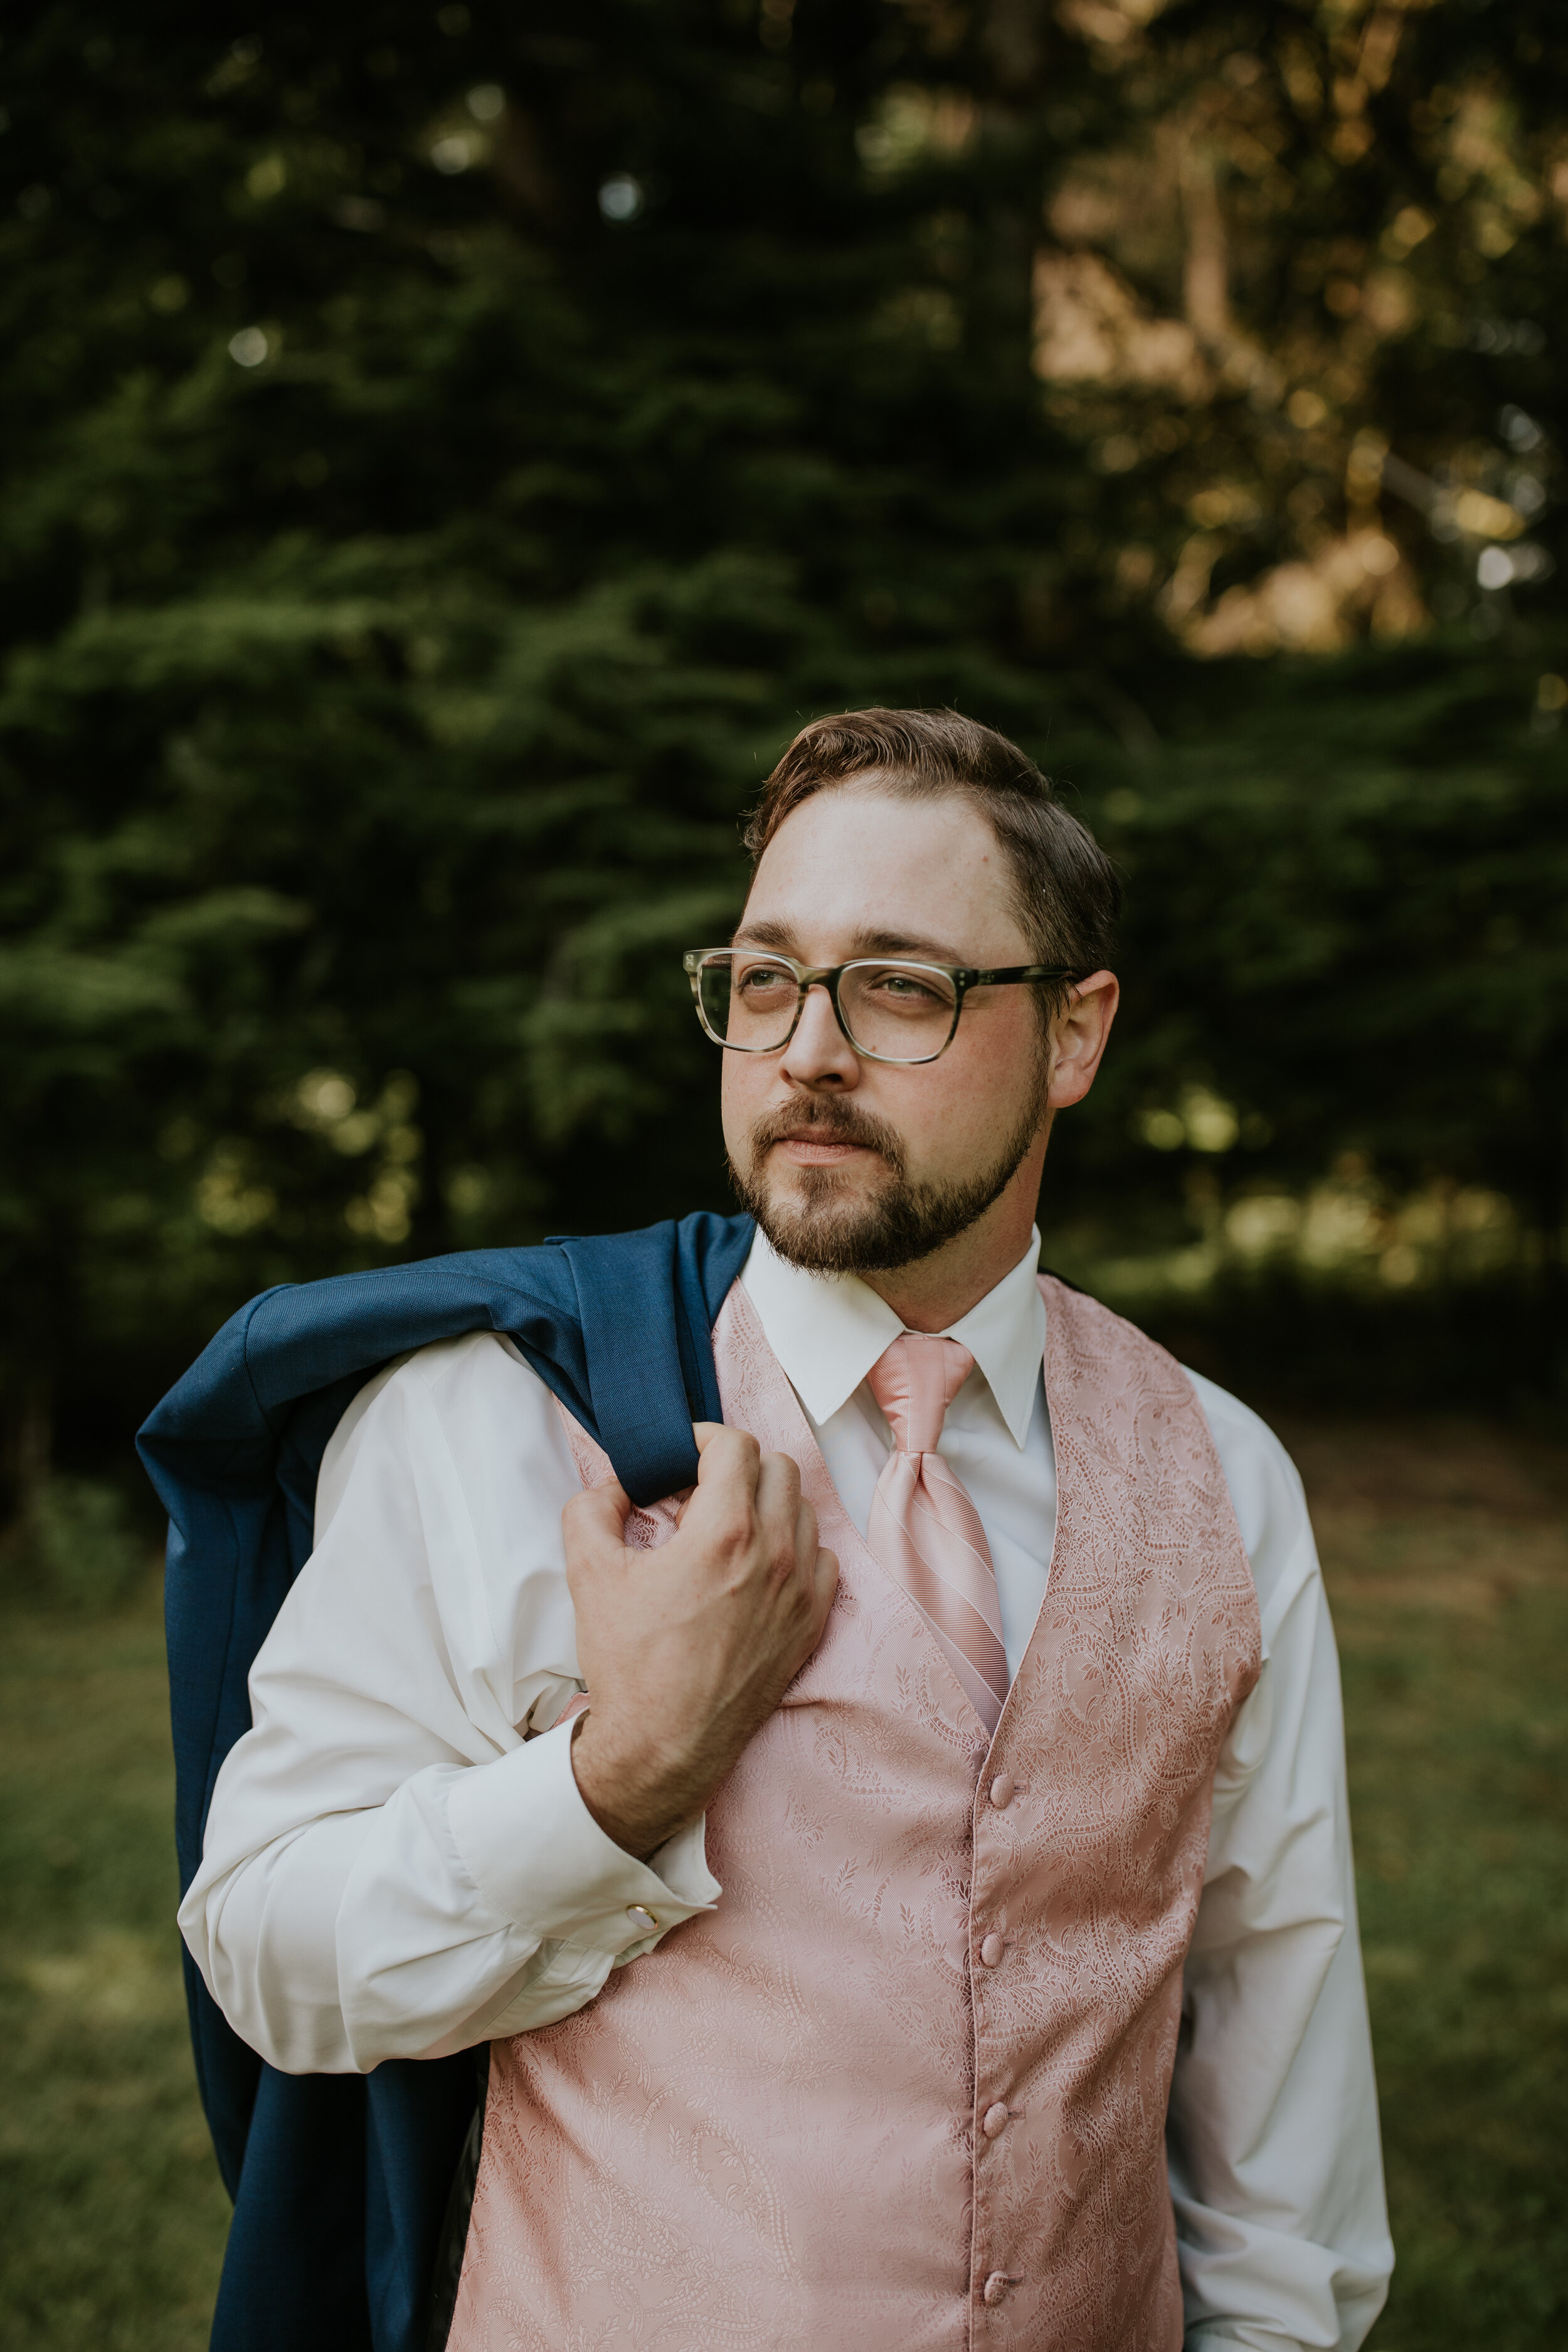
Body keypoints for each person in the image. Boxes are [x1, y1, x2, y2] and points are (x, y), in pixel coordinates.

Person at [178, 708, 1392, 2350]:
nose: (807, 1049)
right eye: (763, 979)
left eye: (900, 986)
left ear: (1075, 1034)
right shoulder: (492, 1421)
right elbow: (266, 1953)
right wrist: (615, 1784)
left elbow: (1274, 2038)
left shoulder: (1224, 1474)